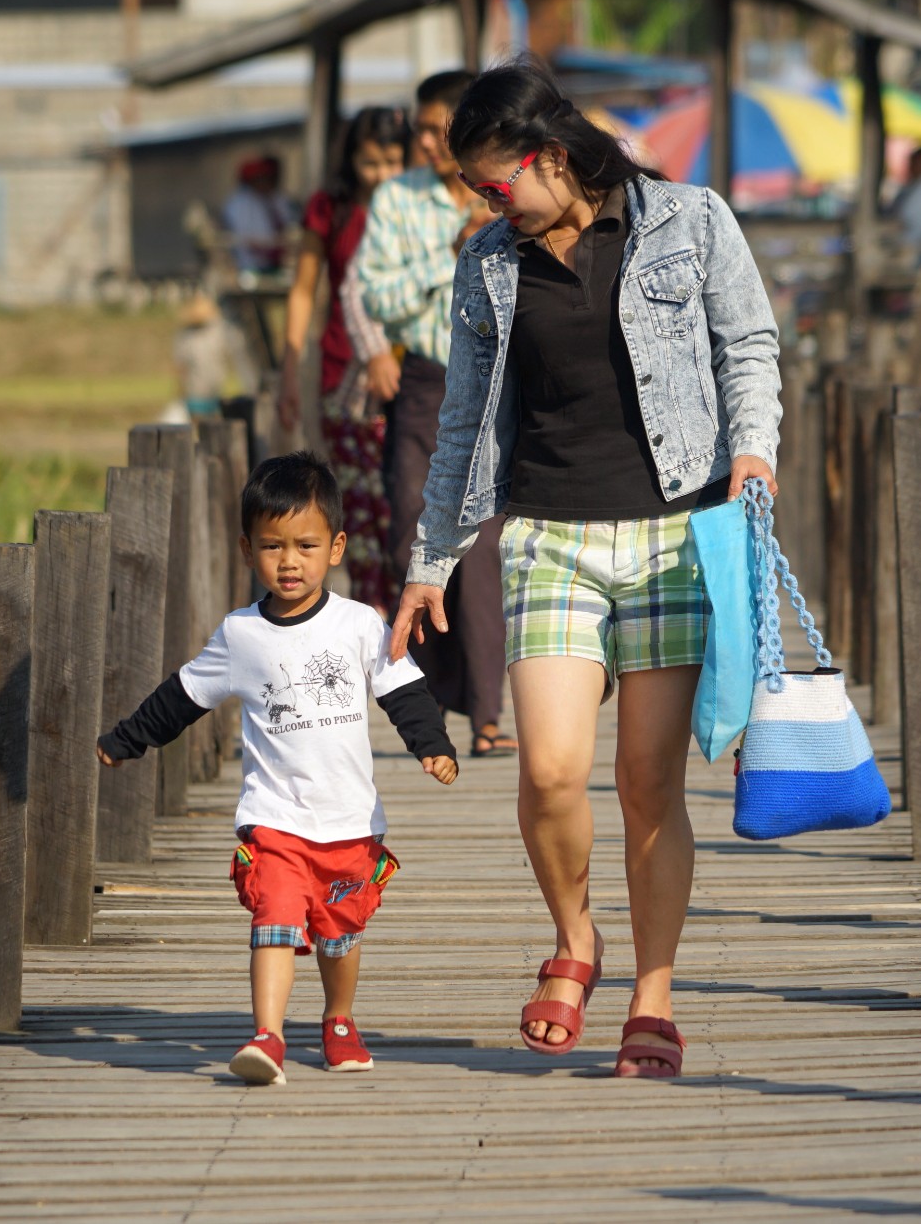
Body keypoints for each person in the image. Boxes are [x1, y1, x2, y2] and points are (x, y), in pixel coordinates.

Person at [390, 61, 781, 1078]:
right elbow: (466, 422)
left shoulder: (690, 221)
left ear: (550, 158)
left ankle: (651, 994)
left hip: (671, 537)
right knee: (550, 767)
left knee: (646, 782)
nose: (484, 205)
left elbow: (746, 343)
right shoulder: (485, 263)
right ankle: (576, 936)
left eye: (491, 184)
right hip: (548, 534)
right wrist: (429, 560)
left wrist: (753, 452)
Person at [96, 452, 459, 1086]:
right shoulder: (241, 635)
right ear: (247, 549)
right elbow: (181, 697)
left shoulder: (358, 625)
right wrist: (128, 739)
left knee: (339, 934)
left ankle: (340, 1021)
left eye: (306, 545)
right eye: (272, 546)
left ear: (337, 547)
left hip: (348, 822)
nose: (289, 561)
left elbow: (403, 691)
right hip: (275, 820)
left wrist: (433, 745)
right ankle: (266, 1035)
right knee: (276, 918)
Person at [350, 70, 517, 758]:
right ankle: (444, 689)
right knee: (408, 543)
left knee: (481, 555)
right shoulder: (396, 199)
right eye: (419, 128)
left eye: (434, 127)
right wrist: (449, 261)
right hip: (424, 383)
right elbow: (375, 293)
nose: (422, 140)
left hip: (497, 383)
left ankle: (486, 713)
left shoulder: (507, 193)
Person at [278, 107, 410, 614]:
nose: (380, 175)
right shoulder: (330, 209)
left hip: (409, 376)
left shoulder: (417, 207)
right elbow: (303, 290)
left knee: (400, 506)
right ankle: (374, 618)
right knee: (357, 509)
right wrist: (291, 371)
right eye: (370, 162)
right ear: (352, 159)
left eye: (391, 161)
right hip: (341, 378)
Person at [173, 287, 256, 418]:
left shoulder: (217, 330)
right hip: (195, 394)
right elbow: (180, 366)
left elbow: (233, 352)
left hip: (215, 391)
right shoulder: (185, 335)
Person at [222, 156, 295, 278]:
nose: (267, 182)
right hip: (252, 268)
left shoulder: (275, 198)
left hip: (278, 266)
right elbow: (247, 240)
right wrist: (272, 247)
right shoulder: (239, 203)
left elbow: (289, 223)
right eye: (261, 178)